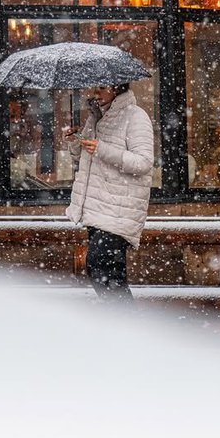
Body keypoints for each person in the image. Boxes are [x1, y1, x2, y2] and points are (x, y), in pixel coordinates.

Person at [64, 82, 154, 299]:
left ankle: (124, 324)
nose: (96, 92)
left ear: (118, 89)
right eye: (95, 87)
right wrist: (75, 143)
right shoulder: (95, 117)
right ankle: (121, 325)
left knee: (101, 267)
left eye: (103, 87)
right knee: (102, 271)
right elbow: (85, 160)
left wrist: (102, 149)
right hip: (98, 207)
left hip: (119, 208)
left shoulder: (136, 116)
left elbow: (143, 162)